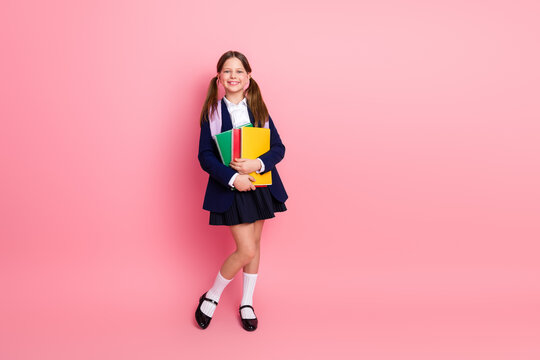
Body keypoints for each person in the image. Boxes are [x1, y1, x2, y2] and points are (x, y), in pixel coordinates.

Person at [194, 50, 288, 331]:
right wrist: (235, 178)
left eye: (238, 71)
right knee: (245, 249)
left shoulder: (259, 109)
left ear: (248, 77)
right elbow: (205, 156)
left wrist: (257, 164)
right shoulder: (211, 112)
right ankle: (212, 296)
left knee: (255, 246)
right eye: (227, 71)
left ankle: (247, 302)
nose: (233, 76)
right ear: (219, 77)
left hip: (260, 185)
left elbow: (278, 148)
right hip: (231, 187)